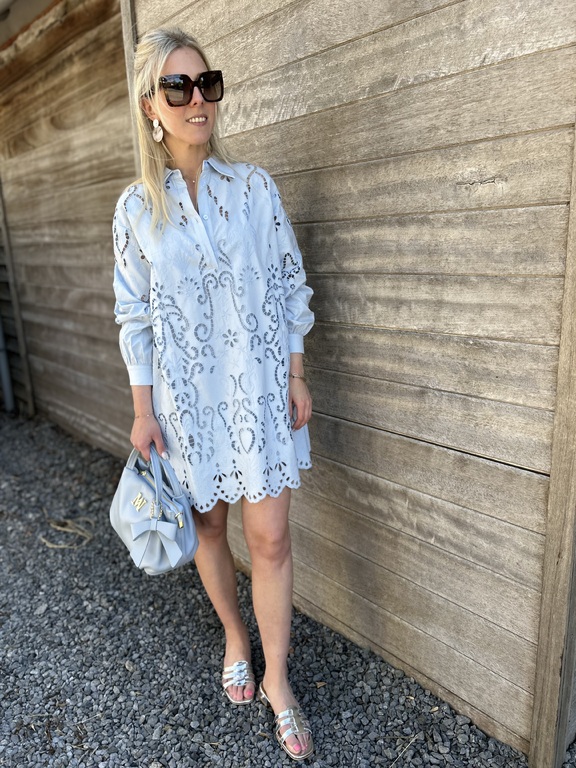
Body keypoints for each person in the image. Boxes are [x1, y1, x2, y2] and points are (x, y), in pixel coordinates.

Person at [112, 28, 315, 762]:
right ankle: (235, 635)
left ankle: (279, 679)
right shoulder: (136, 210)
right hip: (186, 407)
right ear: (151, 105)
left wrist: (295, 372)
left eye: (207, 83)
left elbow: (290, 285)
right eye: (178, 87)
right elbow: (133, 316)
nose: (197, 100)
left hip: (259, 393)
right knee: (207, 529)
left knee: (272, 539)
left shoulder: (254, 188)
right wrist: (142, 411)